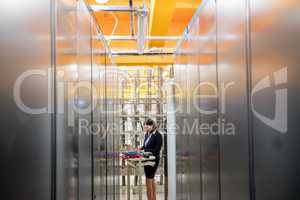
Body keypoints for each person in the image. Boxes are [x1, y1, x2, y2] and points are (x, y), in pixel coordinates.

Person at [140, 118, 162, 200]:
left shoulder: (158, 135)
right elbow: (145, 146)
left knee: (149, 181)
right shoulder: (147, 134)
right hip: (147, 159)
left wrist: (144, 150)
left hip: (153, 160)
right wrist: (140, 148)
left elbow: (157, 150)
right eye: (145, 126)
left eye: (148, 126)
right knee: (150, 180)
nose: (146, 128)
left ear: (153, 126)